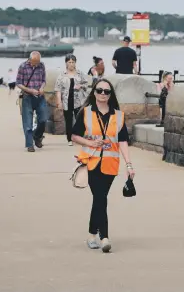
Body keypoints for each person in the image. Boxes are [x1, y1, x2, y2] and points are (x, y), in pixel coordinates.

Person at [71, 79, 135, 253]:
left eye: (106, 92)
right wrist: (90, 143)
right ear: (94, 92)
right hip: (91, 161)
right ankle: (104, 237)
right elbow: (74, 136)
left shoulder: (118, 116)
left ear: (110, 94)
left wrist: (129, 165)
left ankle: (92, 234)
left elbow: (123, 141)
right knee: (101, 198)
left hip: (110, 164)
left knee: (99, 199)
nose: (102, 94)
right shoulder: (86, 113)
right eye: (99, 90)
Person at [16, 51, 48, 152]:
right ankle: (30, 145)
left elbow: (43, 80)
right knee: (28, 123)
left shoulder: (41, 65)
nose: (36, 64)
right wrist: (30, 90)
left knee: (43, 119)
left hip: (40, 96)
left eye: (38, 62)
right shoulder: (23, 66)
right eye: (35, 62)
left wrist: (42, 88)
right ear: (30, 60)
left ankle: (37, 136)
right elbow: (18, 83)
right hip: (27, 97)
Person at [54, 54, 89, 146]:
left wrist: (80, 85)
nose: (71, 64)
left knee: (80, 120)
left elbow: (87, 84)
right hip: (66, 101)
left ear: (75, 63)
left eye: (73, 62)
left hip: (79, 101)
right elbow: (58, 89)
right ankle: (70, 139)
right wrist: (59, 102)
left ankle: (79, 137)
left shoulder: (80, 73)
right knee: (68, 121)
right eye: (69, 62)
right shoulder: (61, 75)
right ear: (66, 63)